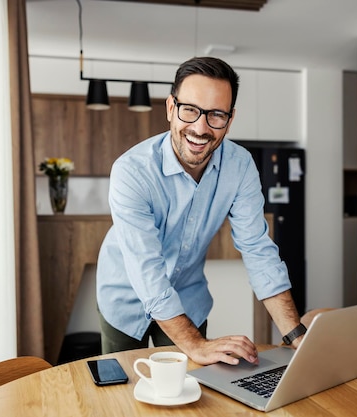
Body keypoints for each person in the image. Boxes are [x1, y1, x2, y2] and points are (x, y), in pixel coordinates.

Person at [96, 56, 305, 366]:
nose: (200, 127)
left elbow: (258, 251)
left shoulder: (240, 166)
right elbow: (146, 272)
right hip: (123, 298)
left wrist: (296, 335)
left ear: (230, 119)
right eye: (190, 110)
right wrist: (195, 344)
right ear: (171, 108)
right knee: (122, 395)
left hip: (188, 299)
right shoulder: (132, 171)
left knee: (193, 394)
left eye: (216, 115)